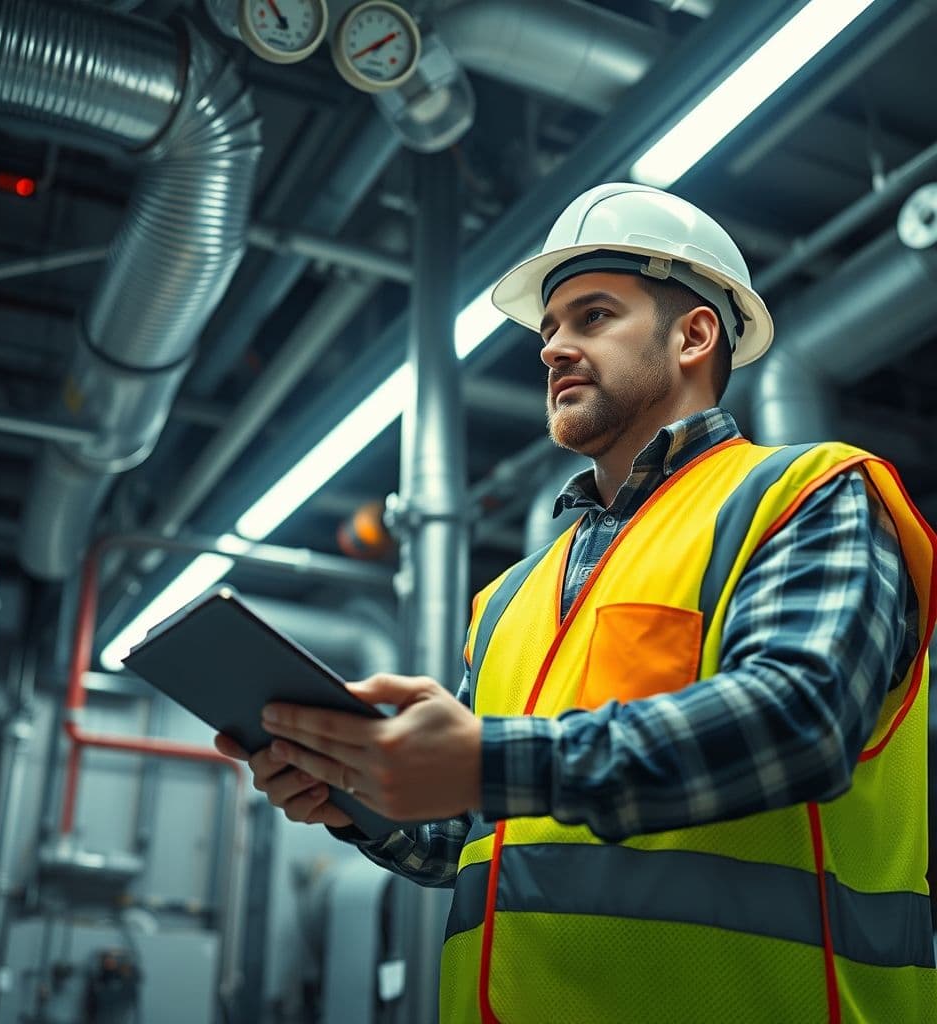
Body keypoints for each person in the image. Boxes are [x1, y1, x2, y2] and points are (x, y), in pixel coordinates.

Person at [215, 183, 937, 1023]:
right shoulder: (511, 598)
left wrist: (480, 759)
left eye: (593, 317)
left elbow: (799, 723)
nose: (554, 347)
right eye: (550, 328)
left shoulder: (806, 495)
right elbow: (472, 840)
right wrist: (361, 790)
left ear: (695, 335)